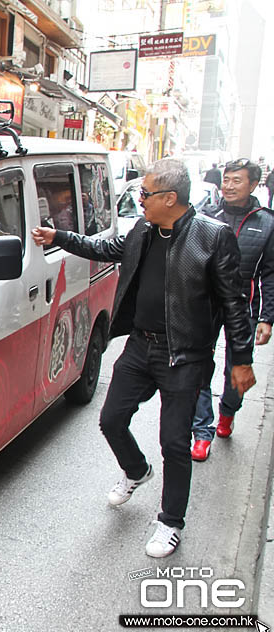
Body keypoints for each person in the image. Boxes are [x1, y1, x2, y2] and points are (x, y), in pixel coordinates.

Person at [31, 158, 255, 558]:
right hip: (140, 347)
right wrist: (58, 236)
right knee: (111, 419)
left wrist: (242, 359)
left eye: (146, 193)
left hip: (184, 356)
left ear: (170, 198)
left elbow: (235, 304)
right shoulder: (143, 231)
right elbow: (104, 248)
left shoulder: (213, 237)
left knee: (174, 442)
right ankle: (136, 470)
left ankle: (170, 522)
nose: (140, 198)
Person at [190, 159, 274, 460]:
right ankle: (202, 431)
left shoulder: (266, 222)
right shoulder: (206, 215)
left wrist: (267, 317)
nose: (228, 185)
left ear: (253, 185)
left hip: (243, 307)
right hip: (205, 303)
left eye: (237, 180)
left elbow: (270, 273)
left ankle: (228, 411)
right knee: (198, 365)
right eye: (226, 179)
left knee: (237, 368)